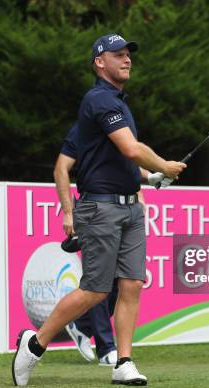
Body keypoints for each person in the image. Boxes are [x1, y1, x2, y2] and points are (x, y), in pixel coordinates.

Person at [12, 33, 186, 387]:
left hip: (131, 209)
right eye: (118, 55)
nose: (127, 59)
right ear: (99, 62)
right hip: (100, 209)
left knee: (133, 284)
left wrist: (151, 178)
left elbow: (121, 161)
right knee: (95, 290)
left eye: (128, 55)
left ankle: (123, 362)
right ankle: (36, 343)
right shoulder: (99, 100)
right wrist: (164, 166)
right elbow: (131, 149)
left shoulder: (119, 104)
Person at [55, 124, 168, 366]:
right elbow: (61, 169)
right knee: (99, 283)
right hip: (96, 211)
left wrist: (148, 182)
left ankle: (82, 325)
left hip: (126, 213)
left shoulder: (119, 128)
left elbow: (129, 164)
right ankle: (106, 347)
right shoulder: (82, 131)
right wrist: (68, 212)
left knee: (124, 283)